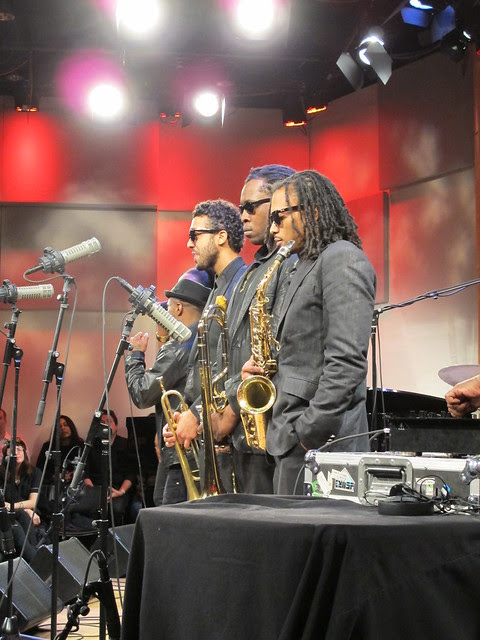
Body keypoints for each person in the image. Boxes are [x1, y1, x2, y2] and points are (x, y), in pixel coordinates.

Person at [241, 170, 376, 495]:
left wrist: (307, 433)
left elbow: (346, 362)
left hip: (320, 446)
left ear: (313, 212)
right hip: (294, 441)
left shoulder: (343, 258)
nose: (272, 229)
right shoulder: (303, 264)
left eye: (278, 217)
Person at [211, 164, 297, 494]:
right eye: (240, 208)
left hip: (272, 431)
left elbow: (279, 349)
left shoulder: (289, 264)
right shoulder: (252, 271)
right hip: (243, 433)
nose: (243, 217)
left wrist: (233, 411)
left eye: (250, 206)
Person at [172, 199, 246, 492]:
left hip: (233, 443)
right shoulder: (217, 287)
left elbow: (235, 363)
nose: (189, 243)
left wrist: (197, 413)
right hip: (212, 434)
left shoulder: (241, 284)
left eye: (195, 235)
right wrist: (187, 415)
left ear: (221, 236)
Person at [125, 268, 213, 504]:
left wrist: (135, 355)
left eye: (170, 306)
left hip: (181, 453)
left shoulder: (180, 346)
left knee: (168, 516)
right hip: (193, 450)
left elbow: (143, 393)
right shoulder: (205, 338)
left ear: (179, 308)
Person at [68, 409, 135, 528]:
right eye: (102, 423)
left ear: (116, 426)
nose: (106, 425)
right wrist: (94, 492)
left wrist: (120, 492)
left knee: (116, 510)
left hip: (117, 489)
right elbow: (85, 472)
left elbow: (131, 473)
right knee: (76, 509)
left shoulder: (126, 444)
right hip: (94, 488)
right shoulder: (90, 446)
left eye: (109, 421)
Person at [0, 437, 42, 562]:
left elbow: (33, 502)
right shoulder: (1, 473)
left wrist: (16, 507)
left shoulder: (34, 472)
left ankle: (34, 559)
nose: (16, 453)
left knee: (22, 518)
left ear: (24, 452)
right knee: (18, 524)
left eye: (19, 449)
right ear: (6, 456)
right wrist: (25, 509)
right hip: (7, 514)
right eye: (12, 451)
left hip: (18, 511)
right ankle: (36, 561)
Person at [36, 414, 84, 485]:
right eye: (59, 426)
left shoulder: (80, 445)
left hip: (75, 484)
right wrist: (54, 476)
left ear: (71, 427)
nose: (63, 428)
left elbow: (87, 466)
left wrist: (74, 473)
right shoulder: (48, 446)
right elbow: (39, 469)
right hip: (52, 484)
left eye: (66, 425)